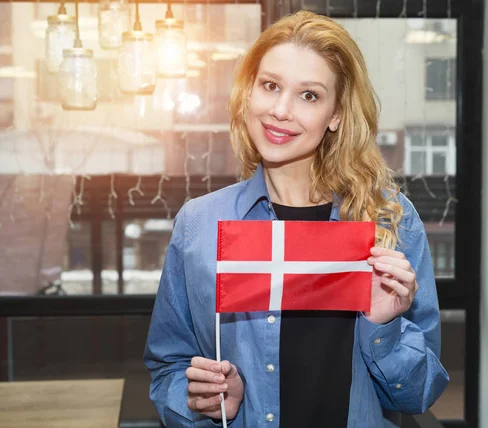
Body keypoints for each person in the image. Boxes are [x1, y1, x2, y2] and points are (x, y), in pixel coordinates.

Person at [144, 10, 449, 428]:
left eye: (309, 95)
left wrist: (386, 325)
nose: (281, 110)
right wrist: (209, 403)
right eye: (270, 86)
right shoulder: (199, 225)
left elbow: (419, 395)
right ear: (249, 92)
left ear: (336, 115)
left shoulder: (390, 220)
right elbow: (167, 372)